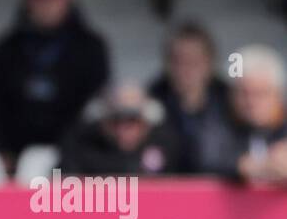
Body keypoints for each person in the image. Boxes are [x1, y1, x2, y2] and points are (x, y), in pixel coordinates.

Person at [0, 0, 108, 167]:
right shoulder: (6, 49)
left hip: (74, 157)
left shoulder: (90, 49)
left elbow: (96, 107)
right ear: (28, 0)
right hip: (13, 160)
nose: (46, 3)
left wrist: (77, 151)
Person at [147, 23, 234, 174]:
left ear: (210, 63)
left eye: (194, 61)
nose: (186, 69)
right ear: (166, 63)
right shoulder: (150, 104)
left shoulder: (232, 102)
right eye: (178, 61)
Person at [58, 82, 183, 176]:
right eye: (115, 121)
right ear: (103, 122)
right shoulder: (82, 144)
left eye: (132, 121)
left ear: (146, 123)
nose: (123, 129)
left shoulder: (165, 142)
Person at [207, 45, 287, 184]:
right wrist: (247, 166)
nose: (252, 102)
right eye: (244, 93)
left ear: (278, 96)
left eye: (261, 93)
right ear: (231, 94)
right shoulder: (216, 123)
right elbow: (205, 157)